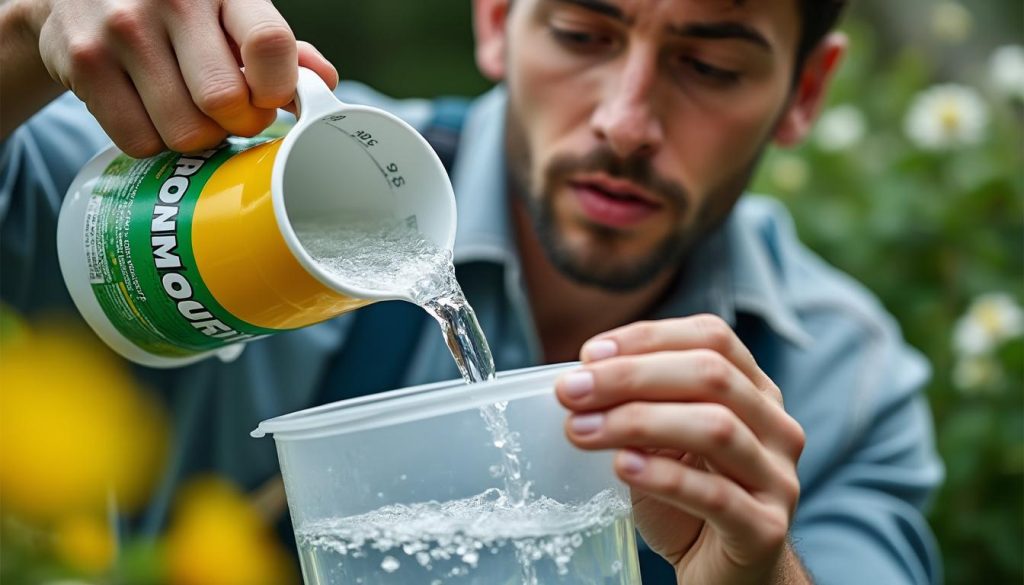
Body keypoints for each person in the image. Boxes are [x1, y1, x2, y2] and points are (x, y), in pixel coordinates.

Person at [1, 0, 944, 583]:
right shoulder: (278, 197)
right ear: (496, 17)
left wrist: (763, 575)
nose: (625, 121)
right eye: (582, 32)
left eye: (712, 65)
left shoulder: (841, 378)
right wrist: (24, 24)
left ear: (806, 93)